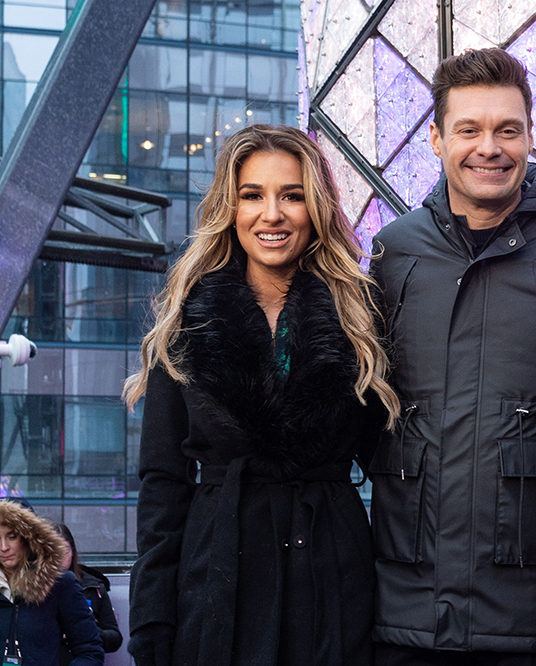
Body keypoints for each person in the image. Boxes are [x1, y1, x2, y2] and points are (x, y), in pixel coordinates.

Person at [368, 48, 536, 665]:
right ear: (435, 138)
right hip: (405, 610)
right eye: (469, 129)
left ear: (533, 135)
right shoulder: (394, 253)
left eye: (508, 129)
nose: (490, 147)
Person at [123, 124, 399, 666]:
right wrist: (151, 618)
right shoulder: (185, 325)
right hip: (218, 574)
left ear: (315, 209)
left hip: (331, 573)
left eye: (291, 196)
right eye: (252, 195)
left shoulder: (361, 320)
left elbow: (392, 466)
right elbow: (162, 483)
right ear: (231, 208)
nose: (271, 214)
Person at [0, 500, 103, 666]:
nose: (3, 547)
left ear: (29, 538)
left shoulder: (60, 584)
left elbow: (89, 651)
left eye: (12, 537)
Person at [53, 524, 122, 664]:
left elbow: (115, 638)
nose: (59, 559)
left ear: (73, 552)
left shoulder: (93, 587)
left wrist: (86, 631)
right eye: (54, 552)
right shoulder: (33, 588)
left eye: (65, 551)